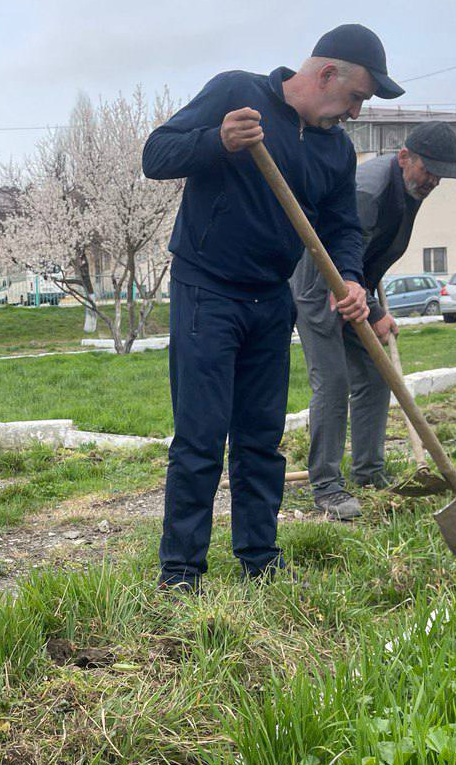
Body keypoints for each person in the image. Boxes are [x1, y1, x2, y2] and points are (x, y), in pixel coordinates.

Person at [142, 24, 402, 588]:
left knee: (261, 436)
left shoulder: (336, 151)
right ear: (326, 74)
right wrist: (216, 140)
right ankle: (181, 570)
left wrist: (352, 280)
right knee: (201, 434)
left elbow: (341, 229)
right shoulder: (237, 93)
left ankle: (260, 559)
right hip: (206, 289)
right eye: (357, 96)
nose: (357, 113)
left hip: (271, 299)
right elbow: (155, 155)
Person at [291, 121, 456, 519]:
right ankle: (327, 486)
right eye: (429, 170)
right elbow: (340, 257)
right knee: (333, 380)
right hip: (319, 281)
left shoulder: (409, 186)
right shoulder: (368, 191)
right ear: (405, 158)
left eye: (441, 173)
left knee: (373, 371)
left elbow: (370, 255)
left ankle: (368, 472)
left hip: (352, 285)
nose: (434, 180)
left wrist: (373, 303)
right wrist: (379, 313)